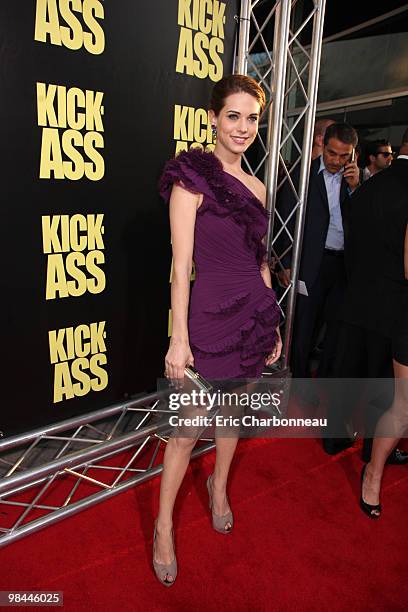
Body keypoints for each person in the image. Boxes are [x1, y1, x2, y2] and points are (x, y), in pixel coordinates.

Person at [154, 74, 282, 586]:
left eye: (252, 118)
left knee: (233, 412)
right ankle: (164, 526)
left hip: (253, 310)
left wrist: (271, 320)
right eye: (233, 115)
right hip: (207, 315)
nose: (243, 127)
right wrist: (178, 337)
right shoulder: (191, 177)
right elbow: (180, 265)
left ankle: (220, 487)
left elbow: (262, 262)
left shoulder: (257, 185)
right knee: (186, 431)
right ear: (213, 118)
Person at [325, 129, 408, 463]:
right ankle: (376, 452)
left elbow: (350, 243)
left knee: (348, 371)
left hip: (356, 294)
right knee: (383, 385)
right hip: (394, 304)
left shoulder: (369, 185)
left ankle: (334, 439)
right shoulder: (372, 183)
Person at [277, 123, 360, 380]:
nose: (337, 160)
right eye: (332, 153)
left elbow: (363, 222)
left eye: (344, 155)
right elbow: (283, 220)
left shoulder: (356, 181)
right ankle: (300, 384)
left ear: (353, 153)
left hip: (343, 266)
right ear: (322, 145)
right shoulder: (302, 175)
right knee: (304, 329)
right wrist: (285, 263)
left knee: (336, 331)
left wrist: (356, 188)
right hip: (310, 263)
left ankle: (326, 380)